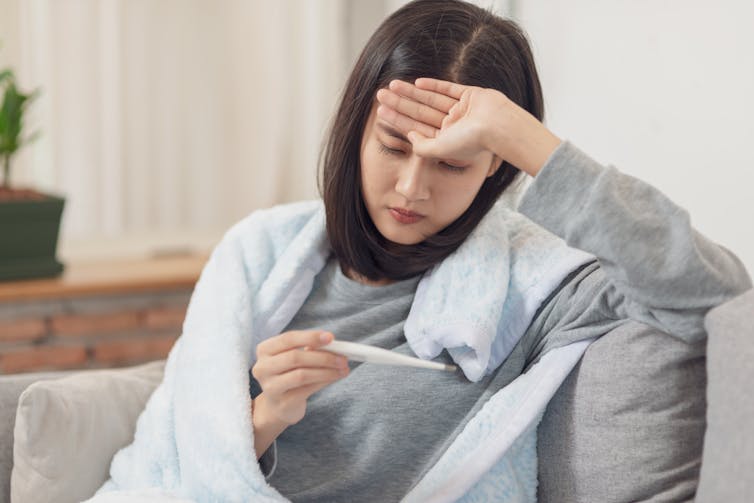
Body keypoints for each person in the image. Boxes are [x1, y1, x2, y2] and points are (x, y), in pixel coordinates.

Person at [92, 1, 751, 501]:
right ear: (356, 131)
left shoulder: (533, 289)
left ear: (497, 169)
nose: (412, 188)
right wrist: (259, 422)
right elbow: (166, 466)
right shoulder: (259, 256)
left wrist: (533, 144)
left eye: (455, 163)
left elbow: (713, 293)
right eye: (393, 147)